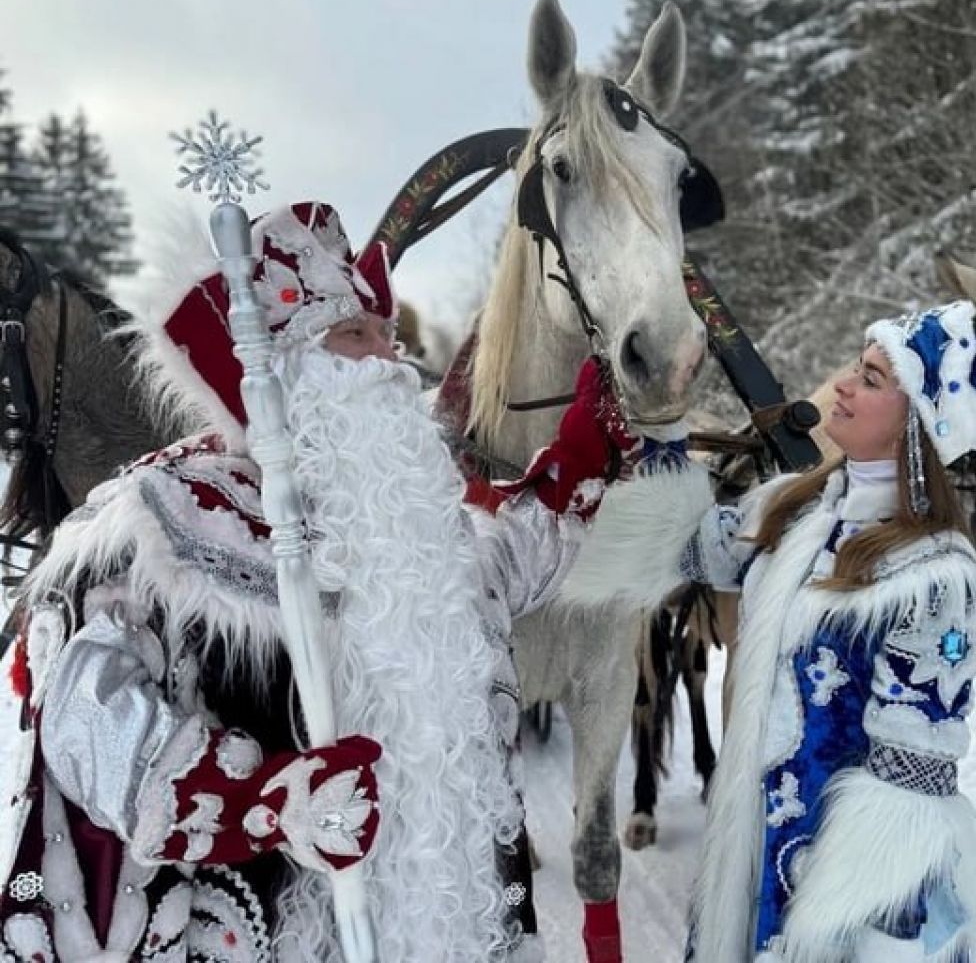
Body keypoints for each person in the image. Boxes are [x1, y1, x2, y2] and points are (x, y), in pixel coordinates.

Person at [0, 201, 690, 962]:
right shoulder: (170, 520)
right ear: (287, 366)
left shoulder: (410, 516)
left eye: (388, 335)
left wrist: (578, 462)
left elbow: (498, 574)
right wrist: (263, 802)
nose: (392, 361)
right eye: (357, 335)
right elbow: (83, 713)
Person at [679, 301, 976, 962]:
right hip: (751, 845)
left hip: (834, 889)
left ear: (917, 424)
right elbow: (687, 554)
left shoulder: (933, 576)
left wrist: (856, 927)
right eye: (857, 367)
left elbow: (909, 796)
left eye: (873, 379)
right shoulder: (797, 510)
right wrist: (649, 445)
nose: (844, 386)